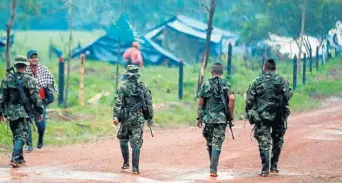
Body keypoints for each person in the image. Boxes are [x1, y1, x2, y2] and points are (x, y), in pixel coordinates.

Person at [245, 59, 293, 177]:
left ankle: (265, 169)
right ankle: (274, 166)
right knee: (277, 140)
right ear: (274, 68)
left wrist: (249, 111)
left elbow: (249, 99)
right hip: (278, 115)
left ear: (264, 67)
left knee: (263, 141)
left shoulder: (257, 81)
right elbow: (289, 95)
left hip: (261, 116)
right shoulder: (282, 80)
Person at [0, 55, 43, 168]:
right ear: (25, 66)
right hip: (24, 112)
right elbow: (35, 98)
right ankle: (15, 158)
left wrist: (1, 113)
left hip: (10, 112)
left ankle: (20, 158)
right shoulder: (30, 79)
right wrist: (40, 111)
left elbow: (1, 98)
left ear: (16, 65)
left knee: (16, 135)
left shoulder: (6, 79)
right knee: (22, 136)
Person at [197, 62, 235, 177]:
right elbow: (232, 99)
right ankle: (213, 170)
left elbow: (200, 103)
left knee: (209, 142)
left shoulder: (206, 84)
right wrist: (231, 115)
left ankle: (212, 165)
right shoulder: (227, 84)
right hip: (221, 119)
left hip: (208, 119)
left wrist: (199, 118)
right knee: (217, 143)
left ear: (211, 71)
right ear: (222, 72)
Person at [113, 65, 153, 174]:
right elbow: (149, 103)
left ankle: (126, 163)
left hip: (126, 118)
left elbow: (118, 103)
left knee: (123, 138)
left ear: (127, 75)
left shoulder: (123, 88)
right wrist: (149, 118)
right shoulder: (143, 87)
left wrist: (115, 116)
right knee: (136, 142)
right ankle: (135, 168)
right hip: (138, 118)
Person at [25, 49, 57, 152]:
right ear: (28, 59)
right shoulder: (24, 70)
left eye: (36, 57)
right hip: (28, 101)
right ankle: (29, 144)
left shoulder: (43, 69)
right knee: (27, 123)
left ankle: (40, 138)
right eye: (32, 57)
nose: (34, 59)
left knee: (41, 124)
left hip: (41, 101)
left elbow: (50, 80)